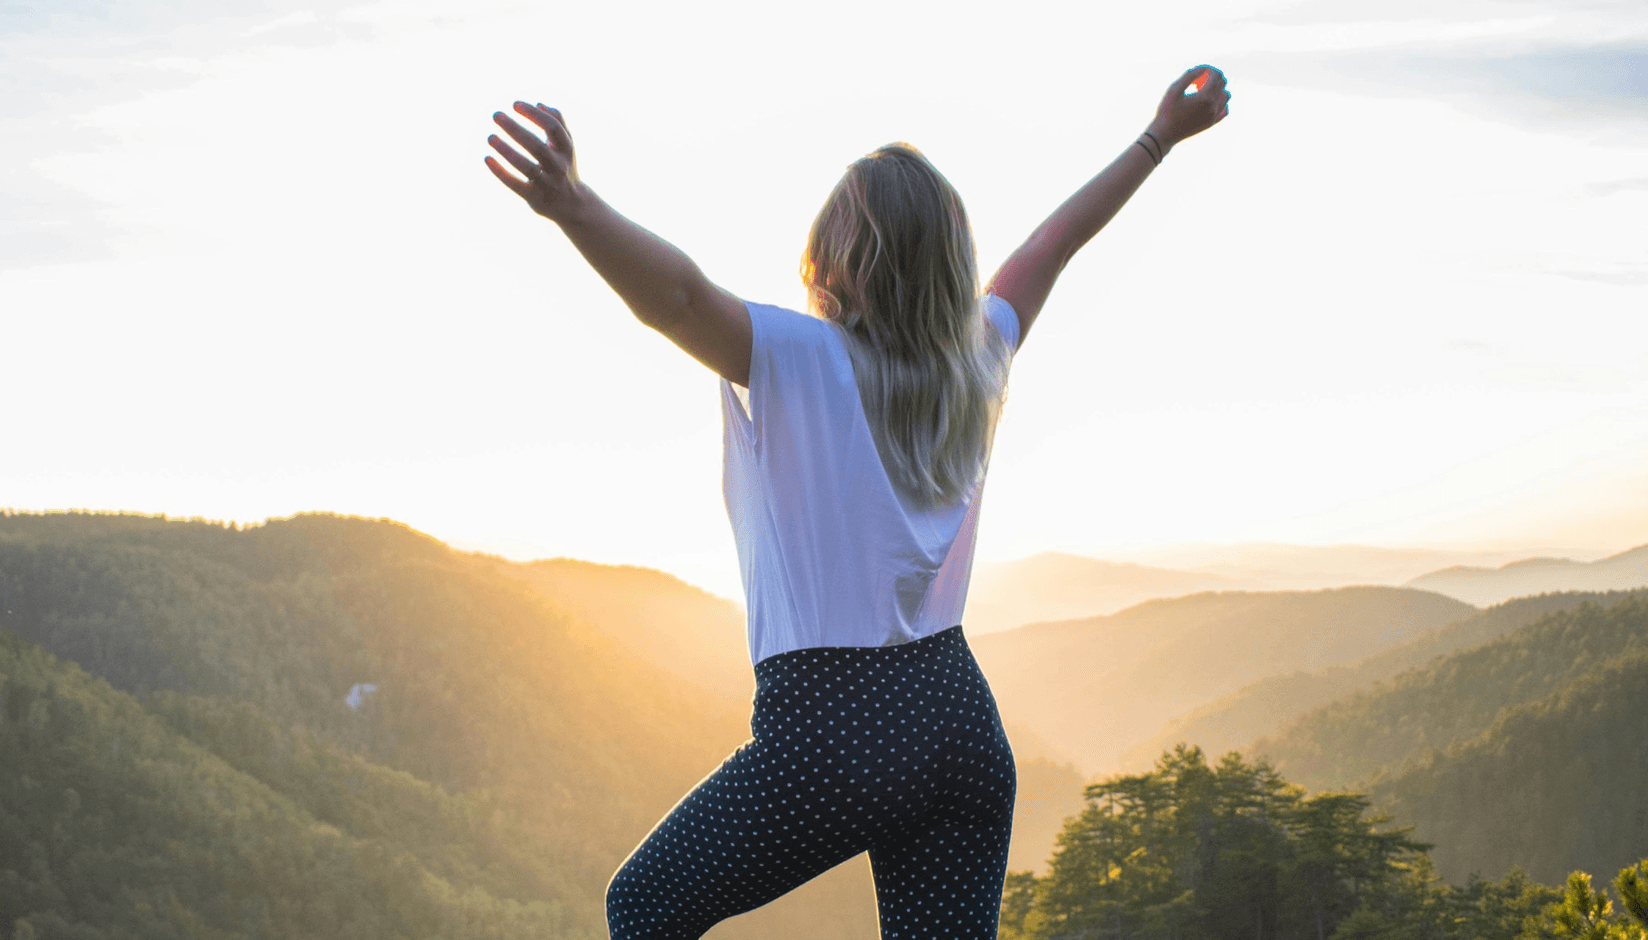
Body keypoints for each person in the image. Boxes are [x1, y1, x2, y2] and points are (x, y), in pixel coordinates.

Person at [485, 64, 1231, 940]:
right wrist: (1157, 139)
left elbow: (678, 297)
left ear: (835, 258)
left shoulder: (800, 357)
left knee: (645, 905)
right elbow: (1052, 245)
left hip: (834, 728)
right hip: (958, 722)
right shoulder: (979, 356)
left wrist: (574, 205)